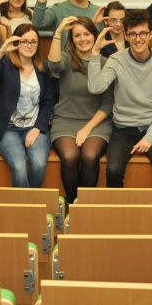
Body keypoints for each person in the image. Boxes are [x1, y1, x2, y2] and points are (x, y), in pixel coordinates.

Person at [88, 9, 152, 206]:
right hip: (123, 128)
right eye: (133, 34)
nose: (138, 38)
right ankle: (117, 213)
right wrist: (94, 54)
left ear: (151, 34)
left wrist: (149, 138)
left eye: (143, 33)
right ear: (126, 35)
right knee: (113, 171)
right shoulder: (116, 60)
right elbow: (95, 87)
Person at [48, 16, 112, 203]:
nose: (83, 39)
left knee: (90, 155)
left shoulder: (105, 63)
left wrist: (86, 129)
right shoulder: (66, 59)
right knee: (69, 156)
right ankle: (72, 202)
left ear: (94, 36)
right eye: (77, 35)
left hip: (97, 123)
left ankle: (85, 204)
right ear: (71, 39)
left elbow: (108, 104)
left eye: (87, 34)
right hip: (65, 121)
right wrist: (58, 31)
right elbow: (53, 64)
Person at [0, 24, 53, 187]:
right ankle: (26, 208)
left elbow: (48, 102)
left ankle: (31, 203)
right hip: (8, 128)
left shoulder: (43, 68)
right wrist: (1, 51)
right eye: (24, 41)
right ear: (16, 43)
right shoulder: (6, 65)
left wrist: (37, 128)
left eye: (33, 42)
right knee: (19, 167)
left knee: (39, 164)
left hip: (34, 127)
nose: (29, 45)